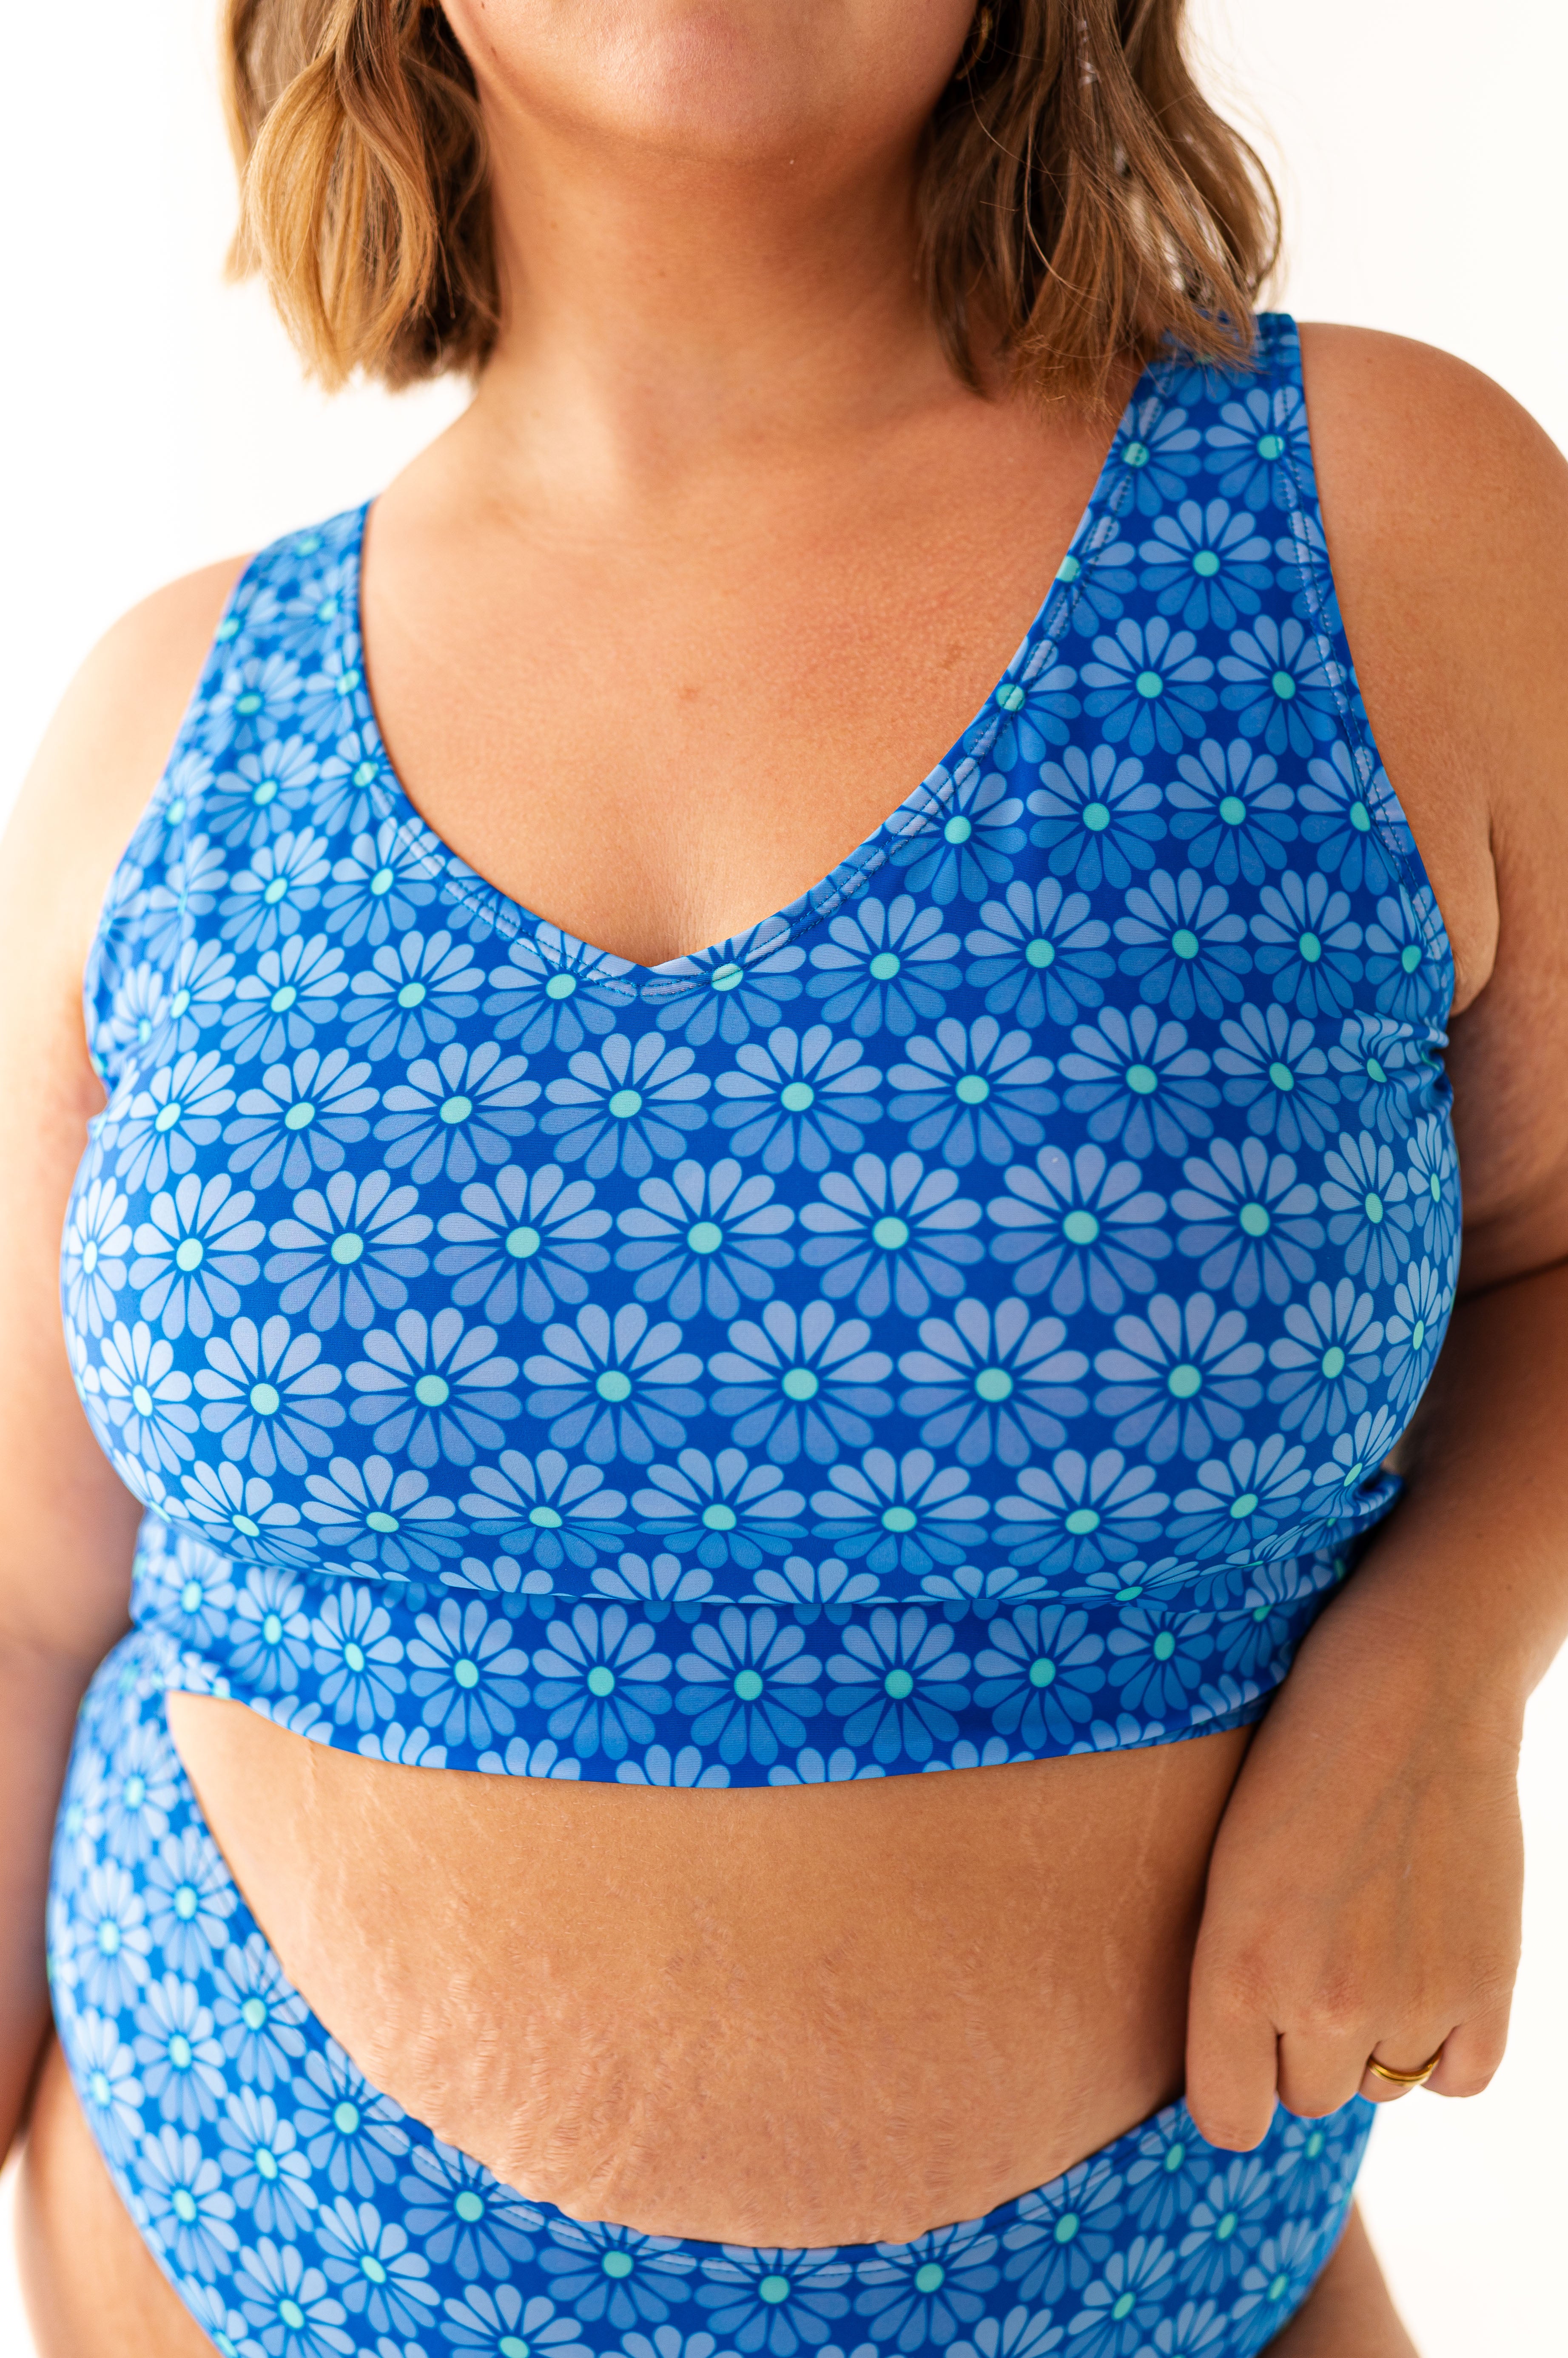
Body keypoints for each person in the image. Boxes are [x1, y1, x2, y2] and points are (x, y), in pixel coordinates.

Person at [4, 2, 1566, 2351]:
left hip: (1161, 2285)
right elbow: (32, 1608)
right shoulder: (167, 715)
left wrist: (1444, 1669)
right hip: (206, 2242)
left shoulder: (1382, 528)